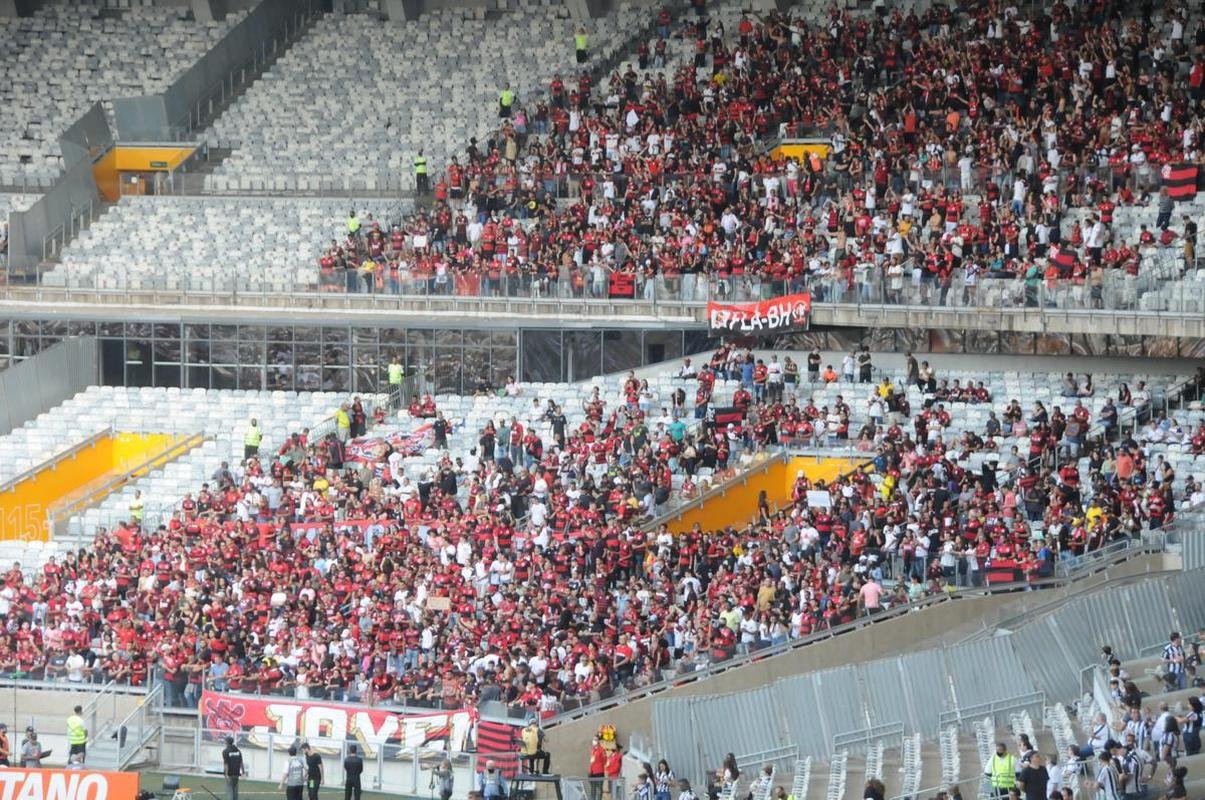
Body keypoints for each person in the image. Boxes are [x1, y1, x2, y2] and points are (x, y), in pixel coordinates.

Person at [223, 736, 246, 800]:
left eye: (225, 741)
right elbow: (241, 762)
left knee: (230, 790)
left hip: (230, 773)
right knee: (235, 790)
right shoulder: (238, 750)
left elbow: (226, 764)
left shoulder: (225, 751)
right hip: (236, 773)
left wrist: (226, 774)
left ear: (227, 742)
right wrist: (243, 772)